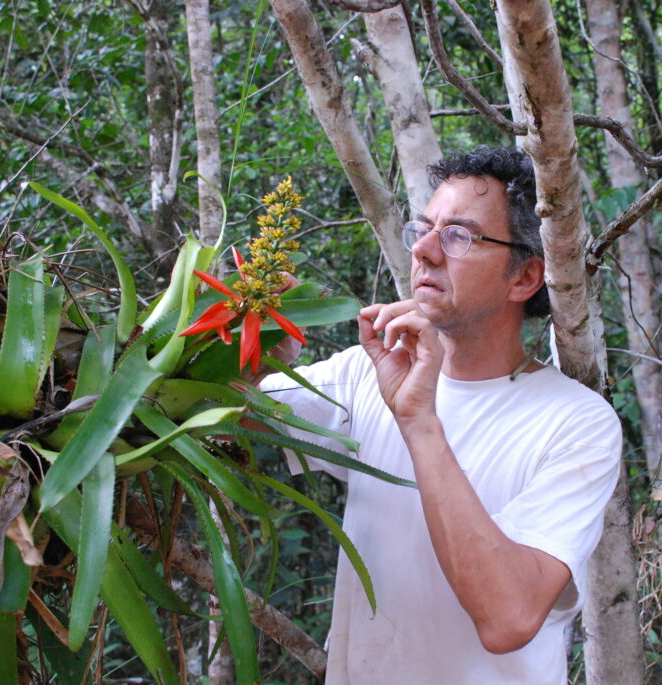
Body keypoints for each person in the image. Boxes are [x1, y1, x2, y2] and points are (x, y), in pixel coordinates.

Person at [259, 146, 622, 684]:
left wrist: (418, 420)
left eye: (459, 236)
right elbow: (227, 414)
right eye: (424, 229)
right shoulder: (366, 371)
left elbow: (509, 618)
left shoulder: (575, 423)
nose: (425, 251)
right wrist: (251, 347)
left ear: (523, 277)